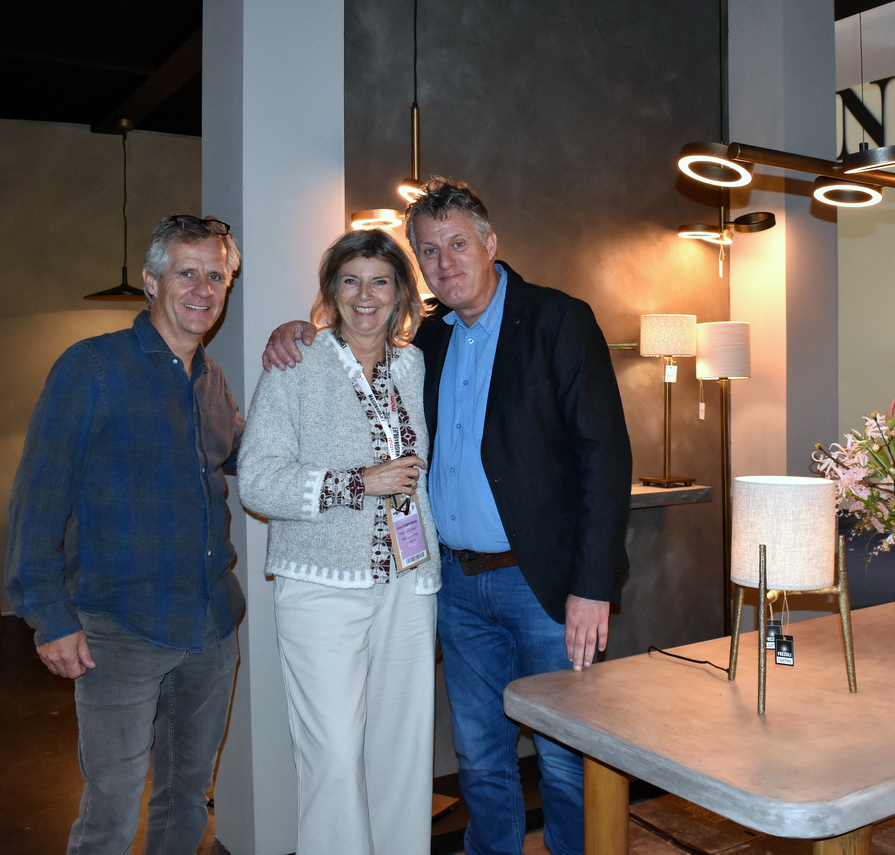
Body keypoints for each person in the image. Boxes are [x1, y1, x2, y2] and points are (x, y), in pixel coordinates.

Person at [263, 177, 631, 855]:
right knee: (481, 758)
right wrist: (297, 332)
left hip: (545, 586)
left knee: (563, 758)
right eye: (429, 251)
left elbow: (605, 457)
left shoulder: (558, 319)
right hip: (455, 586)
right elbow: (349, 347)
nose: (445, 262)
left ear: (490, 242)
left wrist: (593, 585)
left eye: (457, 244)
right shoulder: (424, 343)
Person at [4, 215, 245, 854]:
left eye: (215, 276)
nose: (202, 289)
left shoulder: (211, 379)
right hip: (119, 628)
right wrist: (49, 616)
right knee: (110, 811)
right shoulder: (93, 367)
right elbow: (38, 499)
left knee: (186, 799)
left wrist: (299, 346)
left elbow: (248, 457)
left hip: (211, 626)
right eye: (186, 273)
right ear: (151, 281)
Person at [239, 229, 440, 854]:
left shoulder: (414, 364)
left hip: (409, 584)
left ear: (400, 292)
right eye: (351, 280)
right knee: (331, 754)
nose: (365, 295)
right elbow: (257, 481)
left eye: (380, 281)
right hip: (320, 585)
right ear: (331, 291)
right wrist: (358, 483)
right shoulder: (296, 363)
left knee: (404, 752)